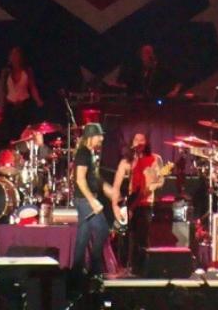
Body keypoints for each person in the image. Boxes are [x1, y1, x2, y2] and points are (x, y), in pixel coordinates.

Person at [111, 132, 164, 273]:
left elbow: (160, 181)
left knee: (142, 238)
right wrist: (115, 205)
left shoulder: (154, 159)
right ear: (131, 143)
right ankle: (123, 267)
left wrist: (151, 186)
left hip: (145, 202)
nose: (139, 142)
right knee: (125, 238)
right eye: (136, 139)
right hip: (130, 203)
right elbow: (116, 185)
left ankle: (140, 269)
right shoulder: (126, 162)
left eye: (142, 140)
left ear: (146, 143)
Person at [72, 123, 117, 276]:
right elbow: (80, 179)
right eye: (99, 136)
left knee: (83, 236)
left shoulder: (90, 153)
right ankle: (94, 268)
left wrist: (107, 189)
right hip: (85, 200)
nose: (102, 139)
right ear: (91, 137)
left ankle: (76, 272)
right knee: (103, 229)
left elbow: (94, 177)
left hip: (85, 199)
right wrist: (92, 200)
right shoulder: (83, 153)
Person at [1, 47, 43, 142]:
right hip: (10, 106)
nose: (15, 57)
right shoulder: (6, 72)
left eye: (17, 54)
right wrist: (3, 106)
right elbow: (4, 90)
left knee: (24, 133)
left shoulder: (27, 71)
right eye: (13, 55)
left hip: (24, 106)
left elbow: (32, 87)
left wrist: (38, 100)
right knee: (10, 134)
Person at [117, 44, 182, 99]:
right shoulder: (137, 71)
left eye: (150, 52)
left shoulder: (162, 69)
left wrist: (175, 91)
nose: (149, 55)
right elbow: (130, 86)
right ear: (141, 56)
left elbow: (177, 80)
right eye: (146, 53)